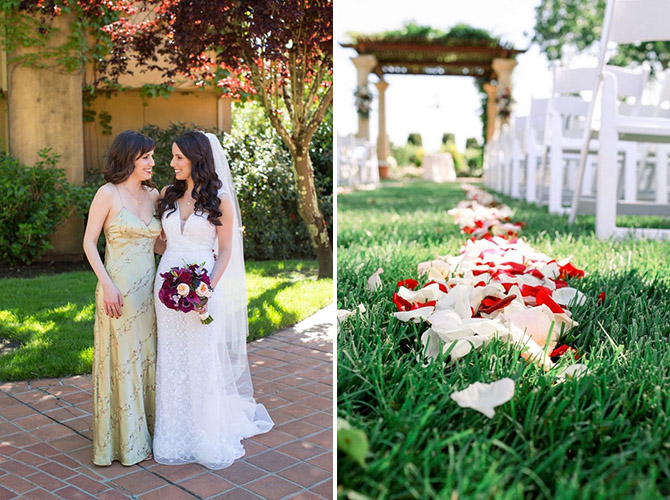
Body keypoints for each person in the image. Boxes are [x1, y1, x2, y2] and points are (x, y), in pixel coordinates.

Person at [153, 131, 273, 470]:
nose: (172, 163)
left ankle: (205, 433)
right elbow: (160, 242)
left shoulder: (219, 200)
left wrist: (207, 290)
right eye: (172, 156)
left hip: (204, 284)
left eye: (178, 157)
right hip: (166, 283)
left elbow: (226, 252)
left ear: (196, 159)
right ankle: (173, 433)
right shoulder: (167, 195)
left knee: (201, 358)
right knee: (172, 356)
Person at [82, 130, 163, 466]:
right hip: (118, 292)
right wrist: (108, 286)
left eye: (152, 157)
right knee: (123, 363)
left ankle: (153, 433)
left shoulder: (155, 194)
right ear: (128, 157)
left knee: (149, 360)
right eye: (145, 157)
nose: (152, 163)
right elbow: (89, 244)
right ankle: (123, 443)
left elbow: (159, 244)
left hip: (151, 293)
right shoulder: (108, 194)